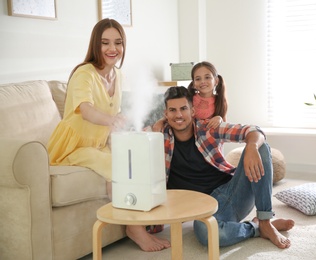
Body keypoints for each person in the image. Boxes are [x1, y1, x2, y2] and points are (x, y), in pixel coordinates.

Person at [47, 19, 171, 252]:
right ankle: (134, 229)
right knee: (117, 167)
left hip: (99, 141)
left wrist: (131, 133)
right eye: (105, 43)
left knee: (136, 159)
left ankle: (144, 220)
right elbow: (86, 109)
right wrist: (112, 120)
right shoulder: (84, 73)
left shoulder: (118, 76)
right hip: (73, 145)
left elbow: (115, 121)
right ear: (96, 44)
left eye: (118, 42)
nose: (112, 48)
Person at [127, 85, 294, 251]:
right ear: (166, 114)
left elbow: (253, 130)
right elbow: (130, 140)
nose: (178, 115)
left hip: (231, 193)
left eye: (183, 108)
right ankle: (257, 228)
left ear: (192, 111)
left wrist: (251, 146)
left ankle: (265, 220)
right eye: (172, 110)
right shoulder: (158, 134)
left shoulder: (208, 128)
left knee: (261, 146)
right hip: (203, 209)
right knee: (207, 232)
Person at [152, 61, 228, 131]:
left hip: (209, 141)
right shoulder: (190, 98)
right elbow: (175, 114)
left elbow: (224, 129)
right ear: (194, 83)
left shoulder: (220, 101)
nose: (203, 81)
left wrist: (219, 119)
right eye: (198, 79)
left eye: (207, 77)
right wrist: (160, 121)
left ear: (216, 81)